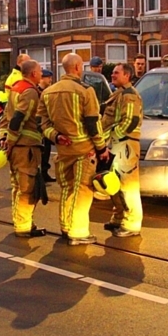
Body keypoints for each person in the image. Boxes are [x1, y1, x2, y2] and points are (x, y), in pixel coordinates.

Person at [37, 53, 110, 245]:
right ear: (78, 68)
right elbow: (93, 123)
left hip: (62, 150)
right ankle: (78, 232)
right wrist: (101, 147)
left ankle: (66, 227)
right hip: (84, 149)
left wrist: (56, 136)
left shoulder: (48, 92)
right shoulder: (86, 91)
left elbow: (42, 124)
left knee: (67, 190)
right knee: (83, 191)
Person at [1, 60, 47, 238]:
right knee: (27, 188)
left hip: (17, 147)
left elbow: (6, 116)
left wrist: (4, 139)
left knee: (18, 187)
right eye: (40, 70)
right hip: (25, 147)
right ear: (33, 73)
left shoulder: (15, 88)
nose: (42, 73)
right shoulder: (30, 92)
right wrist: (11, 141)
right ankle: (24, 226)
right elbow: (18, 119)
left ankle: (21, 222)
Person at [101, 62, 143, 237]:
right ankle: (119, 217)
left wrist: (112, 136)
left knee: (128, 186)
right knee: (115, 184)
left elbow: (130, 121)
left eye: (116, 73)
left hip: (125, 145)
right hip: (118, 145)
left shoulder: (129, 96)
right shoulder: (119, 94)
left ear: (127, 75)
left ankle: (132, 224)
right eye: (112, 73)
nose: (112, 75)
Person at [39, 69, 56, 182]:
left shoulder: (47, 91)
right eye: (48, 77)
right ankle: (41, 175)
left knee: (46, 151)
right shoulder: (36, 92)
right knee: (42, 152)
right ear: (42, 78)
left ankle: (44, 173)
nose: (50, 80)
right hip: (39, 127)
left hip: (47, 126)